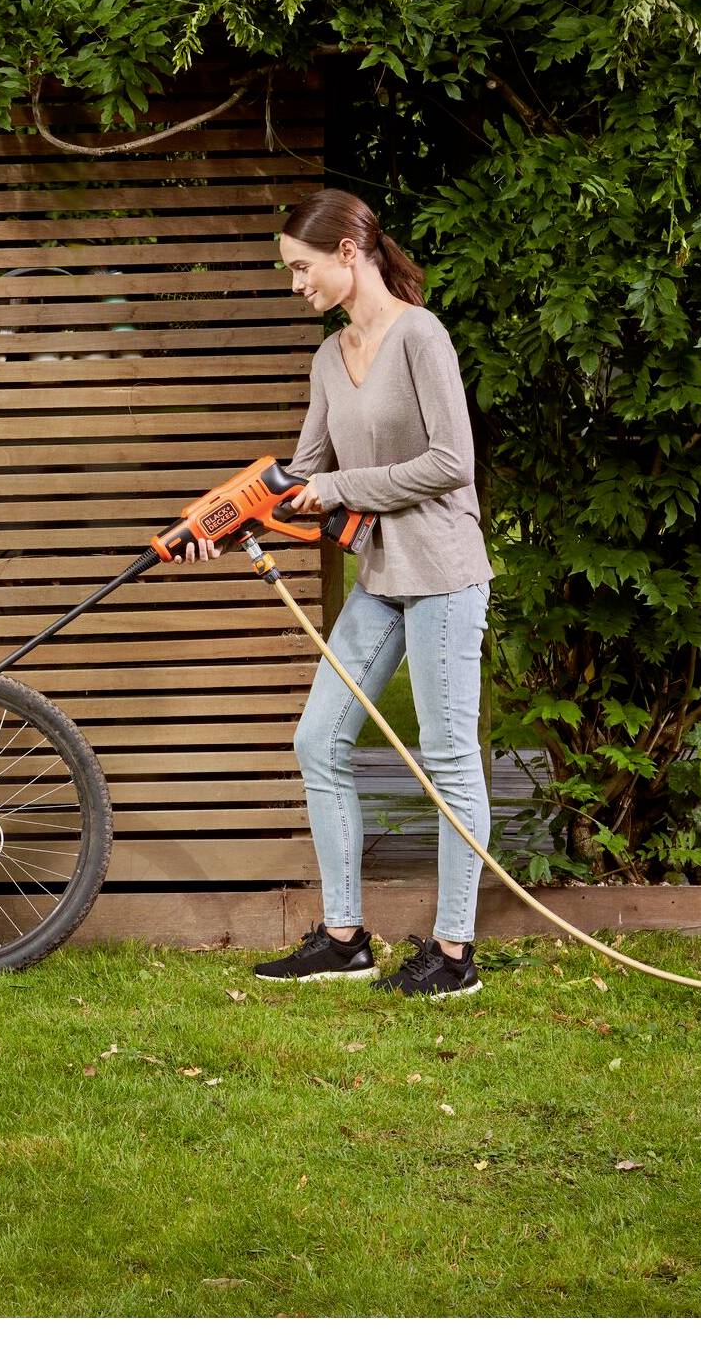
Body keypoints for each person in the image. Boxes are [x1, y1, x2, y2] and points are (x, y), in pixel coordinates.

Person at [177, 189, 496, 999]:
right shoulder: (329, 355)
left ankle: (453, 955)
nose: (295, 284)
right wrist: (222, 520)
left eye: (301, 267)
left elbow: (450, 462)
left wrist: (343, 486)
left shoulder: (420, 336)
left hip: (443, 574)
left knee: (448, 759)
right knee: (318, 740)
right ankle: (345, 939)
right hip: (380, 578)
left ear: (347, 254)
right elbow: (303, 476)